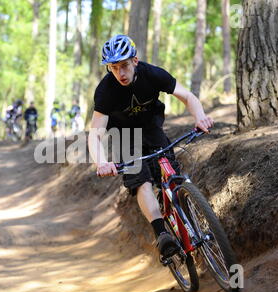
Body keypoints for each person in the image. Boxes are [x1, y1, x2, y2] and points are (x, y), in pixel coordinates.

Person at [87, 34, 214, 260]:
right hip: (124, 136)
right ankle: (162, 234)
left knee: (169, 171)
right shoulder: (105, 90)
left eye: (124, 66)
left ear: (135, 60)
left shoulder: (152, 74)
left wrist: (200, 117)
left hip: (151, 126)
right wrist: (102, 162)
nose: (120, 74)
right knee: (142, 182)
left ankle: (182, 202)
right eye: (114, 68)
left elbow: (186, 96)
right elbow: (95, 134)